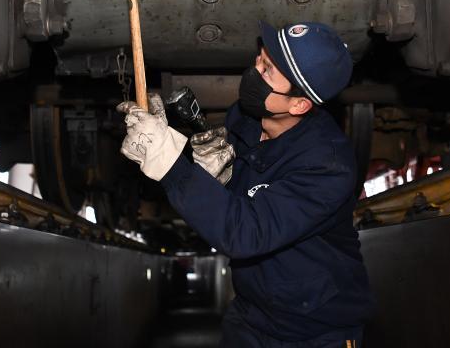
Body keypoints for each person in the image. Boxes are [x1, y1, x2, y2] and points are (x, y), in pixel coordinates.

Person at [118, 21, 373, 347]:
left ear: (299, 104)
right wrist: (194, 159)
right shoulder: (247, 116)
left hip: (315, 331)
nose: (254, 70)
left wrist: (166, 160)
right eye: (260, 58)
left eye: (267, 70)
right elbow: (241, 194)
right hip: (253, 316)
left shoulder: (327, 166)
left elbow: (247, 231)